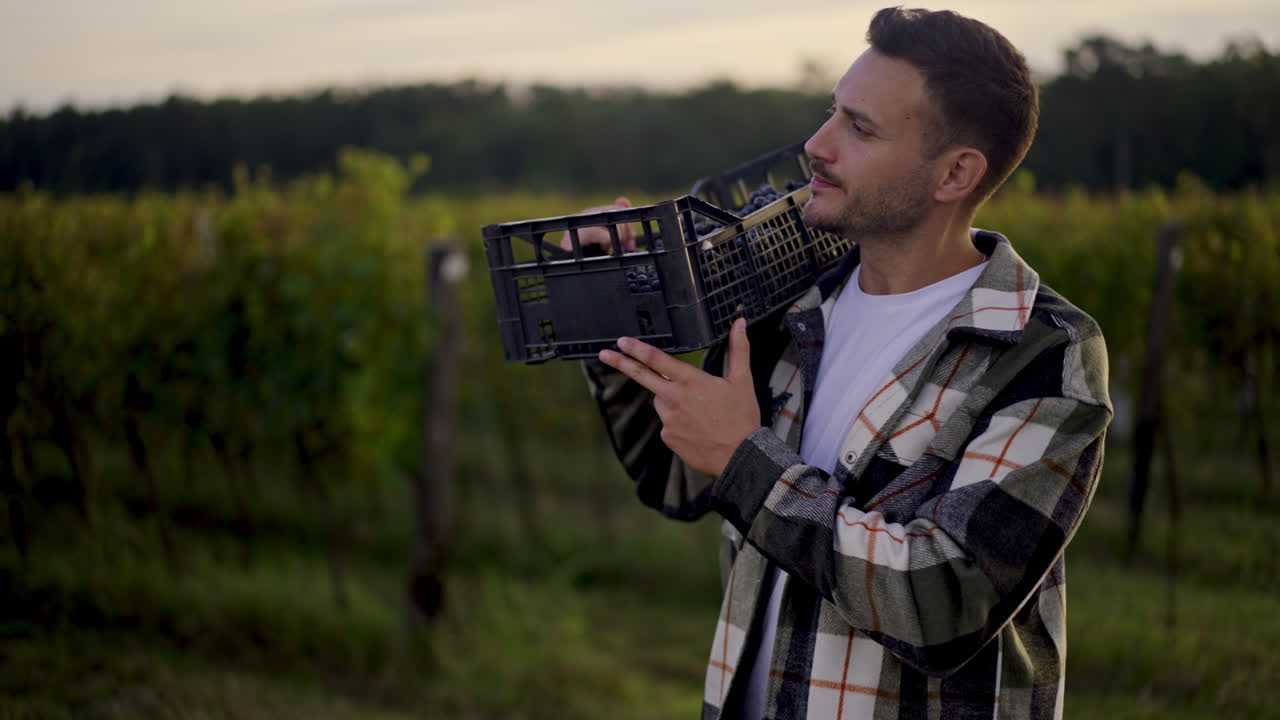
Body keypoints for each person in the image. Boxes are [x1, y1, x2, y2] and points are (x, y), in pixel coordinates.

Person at [580, 7, 1112, 719]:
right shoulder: (796, 304)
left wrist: (748, 459)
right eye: (832, 114)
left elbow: (944, 597)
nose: (816, 145)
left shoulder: (1040, 350)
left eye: (860, 129)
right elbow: (679, 479)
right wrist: (612, 309)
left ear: (955, 173)